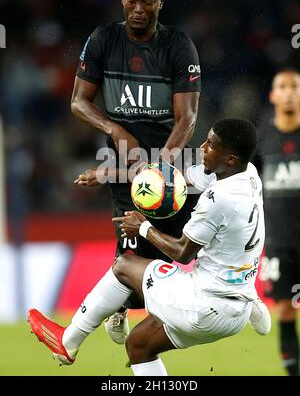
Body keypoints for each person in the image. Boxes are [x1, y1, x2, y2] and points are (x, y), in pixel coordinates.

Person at [28, 118, 271, 376]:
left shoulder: (218, 198)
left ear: (231, 158)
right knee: (139, 345)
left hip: (205, 305)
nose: (201, 147)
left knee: (124, 265)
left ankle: (68, 341)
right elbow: (178, 178)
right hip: (234, 310)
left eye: (210, 145)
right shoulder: (249, 174)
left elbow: (182, 252)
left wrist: (143, 227)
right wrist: (111, 174)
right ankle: (251, 299)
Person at [70, 0, 201, 344]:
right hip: (124, 165)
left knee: (178, 247)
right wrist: (115, 128)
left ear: (161, 2)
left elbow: (187, 117)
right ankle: (124, 311)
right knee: (130, 245)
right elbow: (78, 102)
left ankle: (227, 292)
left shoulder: (179, 47)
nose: (139, 8)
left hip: (173, 163)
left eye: (148, 1)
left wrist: (159, 168)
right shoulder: (103, 40)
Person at [255, 69, 300, 376]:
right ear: (272, 95)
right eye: (281, 87)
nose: (288, 92)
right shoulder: (262, 137)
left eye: (294, 87)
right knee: (284, 309)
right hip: (278, 240)